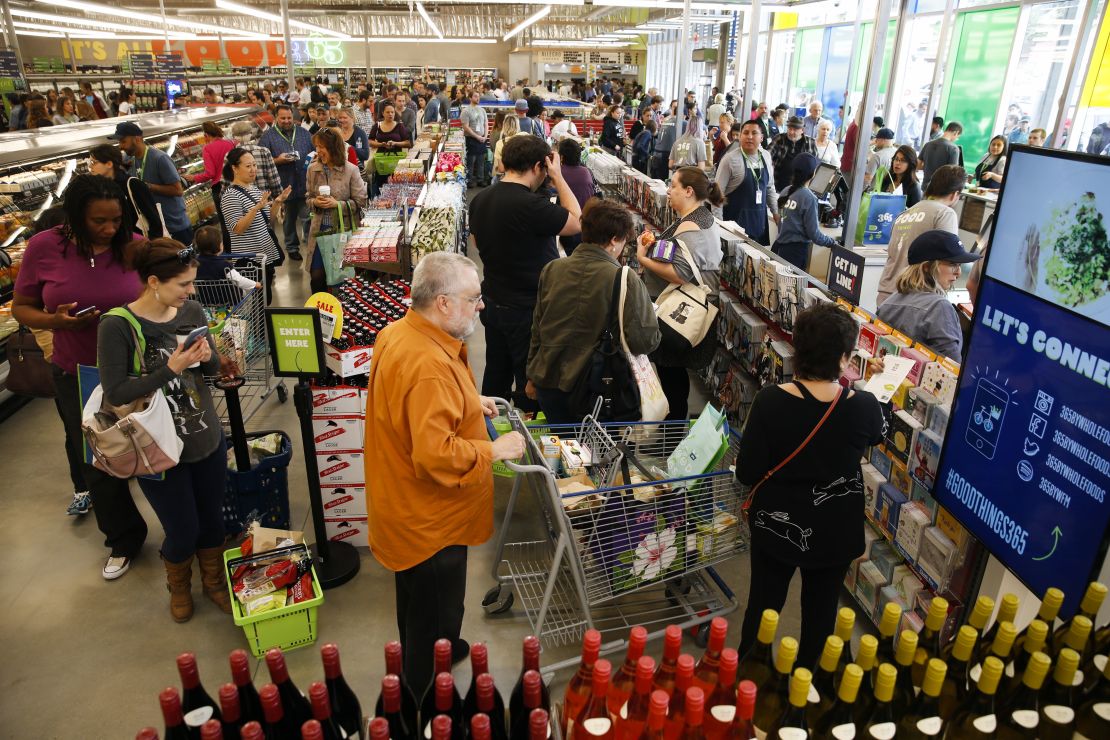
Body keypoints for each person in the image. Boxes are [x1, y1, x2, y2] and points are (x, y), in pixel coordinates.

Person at [364, 250, 525, 700]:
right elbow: (435, 455)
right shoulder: (430, 367)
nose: (481, 306)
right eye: (474, 298)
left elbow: (416, 410)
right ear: (443, 303)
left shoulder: (401, 333)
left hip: (402, 506)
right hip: (430, 520)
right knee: (434, 608)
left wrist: (471, 403)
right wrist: (493, 449)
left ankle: (438, 646)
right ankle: (418, 692)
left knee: (417, 600)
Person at [736, 302, 885, 668]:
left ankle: (751, 676)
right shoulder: (863, 406)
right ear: (844, 359)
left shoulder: (770, 401)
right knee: (821, 613)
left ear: (798, 350)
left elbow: (748, 471)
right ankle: (808, 685)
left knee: (763, 605)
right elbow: (876, 436)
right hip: (835, 529)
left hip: (777, 524)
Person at [12, 175, 147, 575]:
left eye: (115, 220)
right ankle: (123, 538)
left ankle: (181, 532)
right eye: (98, 222)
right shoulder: (43, 247)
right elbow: (22, 307)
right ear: (74, 217)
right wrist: (55, 321)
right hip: (78, 373)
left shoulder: (133, 245)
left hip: (137, 369)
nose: (109, 229)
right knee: (98, 458)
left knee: (154, 448)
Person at [96, 239, 232, 622]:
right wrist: (169, 369)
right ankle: (178, 586)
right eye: (183, 284)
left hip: (205, 437)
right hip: (156, 449)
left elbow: (213, 371)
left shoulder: (189, 310)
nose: (191, 291)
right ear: (153, 281)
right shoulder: (118, 326)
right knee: (182, 528)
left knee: (212, 521)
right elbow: (117, 391)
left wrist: (209, 358)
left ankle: (213, 582)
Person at [468, 135, 582, 411]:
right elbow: (576, 221)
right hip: (527, 310)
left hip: (493, 302)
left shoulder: (481, 200)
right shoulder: (532, 206)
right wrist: (559, 176)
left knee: (496, 375)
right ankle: (527, 439)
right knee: (531, 382)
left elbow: (474, 240)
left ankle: (490, 429)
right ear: (538, 167)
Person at [528, 200, 661, 423]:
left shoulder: (552, 269)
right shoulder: (624, 278)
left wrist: (532, 375)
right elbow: (643, 342)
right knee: (601, 454)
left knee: (560, 450)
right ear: (613, 240)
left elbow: (537, 328)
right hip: (598, 388)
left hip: (548, 381)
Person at [635, 167, 724, 421]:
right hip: (677, 309)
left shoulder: (693, 225)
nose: (668, 191)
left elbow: (680, 273)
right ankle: (669, 435)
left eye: (673, 185)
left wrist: (643, 258)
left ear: (688, 191)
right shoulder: (695, 217)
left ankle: (669, 439)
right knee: (671, 374)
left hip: (679, 314)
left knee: (671, 375)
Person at [877, 231, 980, 359]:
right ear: (926, 267)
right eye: (953, 264)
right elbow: (950, 367)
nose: (958, 273)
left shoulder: (888, 302)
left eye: (959, 265)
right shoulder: (939, 307)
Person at [876, 164, 964, 306]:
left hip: (887, 293)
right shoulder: (945, 214)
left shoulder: (904, 214)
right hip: (915, 298)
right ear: (955, 194)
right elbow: (947, 258)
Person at [220, 147, 291, 294]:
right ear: (234, 168)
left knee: (266, 298)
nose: (253, 169)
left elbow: (268, 220)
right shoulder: (230, 196)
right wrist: (255, 208)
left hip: (263, 256)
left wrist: (278, 201)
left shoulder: (253, 189)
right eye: (248, 166)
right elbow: (237, 229)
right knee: (256, 304)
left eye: (254, 165)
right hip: (248, 259)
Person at [111, 122, 193, 245]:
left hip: (174, 226)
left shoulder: (159, 158)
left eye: (123, 141)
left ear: (137, 139)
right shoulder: (129, 160)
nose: (121, 146)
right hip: (154, 227)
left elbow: (178, 190)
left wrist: (146, 186)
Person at [306, 128, 367, 293]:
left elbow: (361, 200)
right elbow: (308, 197)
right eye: (316, 146)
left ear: (333, 148)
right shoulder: (313, 170)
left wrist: (337, 204)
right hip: (319, 231)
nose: (318, 151)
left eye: (322, 147)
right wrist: (315, 202)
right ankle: (321, 313)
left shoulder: (350, 170)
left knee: (342, 275)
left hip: (343, 231)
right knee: (317, 275)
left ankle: (344, 313)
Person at [258, 105, 313, 261]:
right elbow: (262, 162)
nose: (287, 121)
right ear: (276, 118)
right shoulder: (267, 137)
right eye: (283, 118)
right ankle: (292, 247)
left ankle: (311, 245)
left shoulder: (304, 133)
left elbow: (315, 150)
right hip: (283, 186)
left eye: (289, 118)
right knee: (288, 220)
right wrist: (278, 160)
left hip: (304, 184)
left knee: (307, 217)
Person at [771, 153, 839, 271]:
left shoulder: (785, 191)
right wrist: (832, 243)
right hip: (795, 254)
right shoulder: (809, 198)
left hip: (778, 248)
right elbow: (814, 235)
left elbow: (782, 220)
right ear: (813, 174)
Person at [716, 120, 779, 245]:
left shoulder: (766, 156)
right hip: (734, 227)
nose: (749, 136)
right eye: (745, 133)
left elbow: (770, 188)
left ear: (761, 137)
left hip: (759, 222)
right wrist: (719, 225)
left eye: (754, 133)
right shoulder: (730, 159)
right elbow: (717, 194)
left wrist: (776, 213)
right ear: (740, 136)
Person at [88, 143, 165, 240]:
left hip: (140, 243)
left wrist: (151, 245)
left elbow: (154, 220)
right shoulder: (100, 188)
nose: (90, 167)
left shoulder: (133, 184)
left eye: (93, 162)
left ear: (109, 164)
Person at [555, 138, 595, 257]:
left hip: (566, 226)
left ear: (561, 157)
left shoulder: (557, 174)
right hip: (587, 225)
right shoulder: (587, 172)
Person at [367, 102, 410, 194]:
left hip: (396, 161)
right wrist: (380, 145)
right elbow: (370, 141)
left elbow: (408, 143)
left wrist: (395, 143)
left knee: (396, 187)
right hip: (381, 162)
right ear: (383, 113)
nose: (390, 114)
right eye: (388, 112)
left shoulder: (399, 126)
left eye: (392, 112)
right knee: (381, 188)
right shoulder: (377, 126)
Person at [770, 116, 817, 191]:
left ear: (802, 130)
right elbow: (768, 154)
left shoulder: (810, 142)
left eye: (795, 130)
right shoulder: (779, 138)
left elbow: (813, 165)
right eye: (790, 129)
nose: (791, 132)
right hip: (778, 183)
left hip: (800, 187)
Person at [185, 121, 234, 186]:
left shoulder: (207, 148)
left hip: (220, 184)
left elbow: (210, 173)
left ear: (206, 134)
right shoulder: (230, 143)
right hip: (233, 180)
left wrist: (194, 178)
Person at [918, 121, 963, 191]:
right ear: (956, 133)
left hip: (925, 188)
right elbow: (953, 173)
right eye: (958, 137)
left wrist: (928, 167)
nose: (956, 139)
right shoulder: (953, 148)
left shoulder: (928, 144)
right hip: (940, 190)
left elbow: (918, 165)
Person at [460, 91, 490, 189]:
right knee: (470, 161)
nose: (478, 98)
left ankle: (480, 179)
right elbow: (466, 127)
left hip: (482, 139)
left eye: (479, 96)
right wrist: (477, 137)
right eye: (475, 96)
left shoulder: (482, 110)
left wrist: (485, 136)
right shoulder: (466, 111)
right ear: (470, 98)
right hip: (471, 139)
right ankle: (469, 180)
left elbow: (486, 124)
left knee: (481, 161)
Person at [651, 110, 679, 180]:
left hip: (656, 154)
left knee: (656, 182)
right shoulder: (681, 123)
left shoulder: (666, 121)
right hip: (667, 154)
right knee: (663, 183)